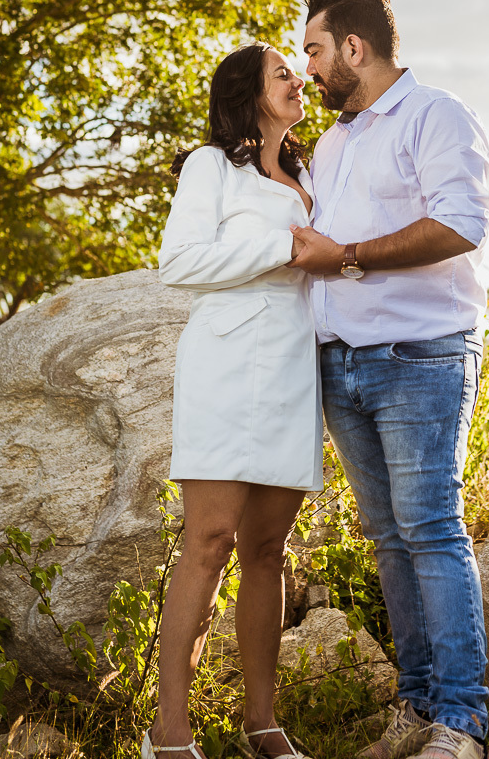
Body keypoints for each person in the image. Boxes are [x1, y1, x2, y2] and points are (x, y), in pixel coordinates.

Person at [289, 0, 489, 759]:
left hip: (419, 355)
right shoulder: (334, 142)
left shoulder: (435, 115)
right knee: (388, 538)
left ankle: (460, 723)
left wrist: (346, 257)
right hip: (340, 364)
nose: (307, 68)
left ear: (354, 46)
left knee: (431, 531)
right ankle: (416, 705)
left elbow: (460, 224)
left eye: (314, 50)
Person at [142, 43, 322, 759]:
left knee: (268, 552)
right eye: (283, 73)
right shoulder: (210, 167)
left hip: (293, 371)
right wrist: (282, 247)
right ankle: (169, 732)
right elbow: (179, 262)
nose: (298, 79)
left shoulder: (310, 176)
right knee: (210, 541)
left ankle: (261, 724)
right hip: (224, 366)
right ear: (248, 93)